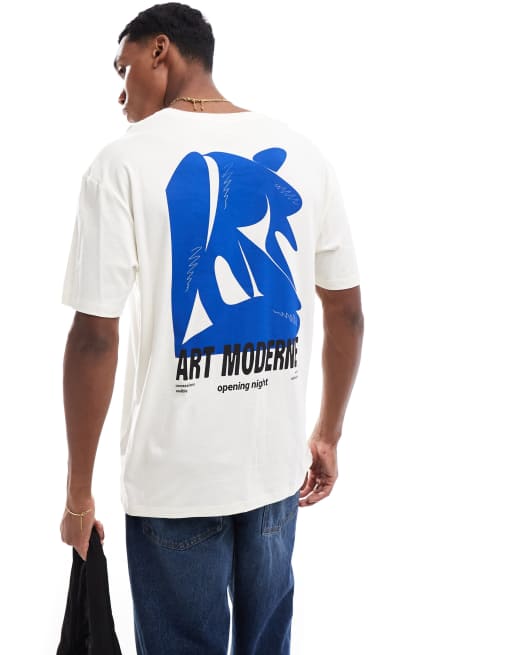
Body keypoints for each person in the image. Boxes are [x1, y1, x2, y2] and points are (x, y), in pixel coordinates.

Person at [59, 2, 364, 653]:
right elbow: (347, 311)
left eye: (123, 67)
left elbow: (94, 338)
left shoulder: (121, 163)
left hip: (174, 482)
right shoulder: (306, 154)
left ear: (159, 50)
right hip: (274, 476)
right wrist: (327, 435)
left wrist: (78, 492)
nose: (120, 93)